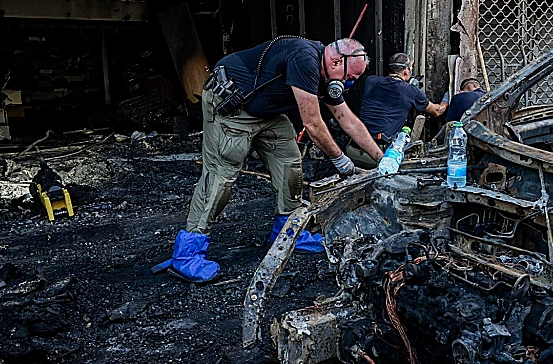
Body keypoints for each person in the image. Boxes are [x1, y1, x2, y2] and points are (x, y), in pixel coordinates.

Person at [158, 37, 384, 282]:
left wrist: (381, 160)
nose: (349, 84)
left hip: (265, 111)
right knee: (220, 175)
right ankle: (187, 253)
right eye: (349, 77)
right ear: (336, 61)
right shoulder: (304, 59)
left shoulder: (327, 75)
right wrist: (341, 161)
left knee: (289, 163)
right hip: (232, 105)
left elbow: (348, 120)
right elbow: (312, 123)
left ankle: (287, 231)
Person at [345, 52, 447, 168]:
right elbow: (436, 111)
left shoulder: (370, 81)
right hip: (379, 155)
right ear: (406, 70)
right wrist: (446, 100)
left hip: (352, 150)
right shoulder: (411, 91)